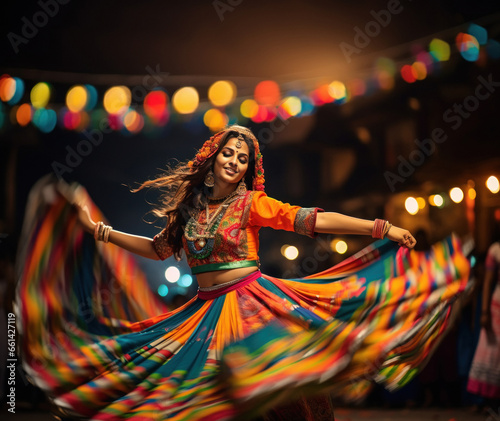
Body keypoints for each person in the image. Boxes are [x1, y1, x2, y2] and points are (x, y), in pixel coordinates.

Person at [16, 125, 470, 420]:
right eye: (229, 154)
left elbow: (313, 218)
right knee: (197, 398)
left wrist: (380, 227)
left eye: (243, 159)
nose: (235, 162)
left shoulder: (252, 204)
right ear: (212, 157)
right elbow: (159, 250)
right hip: (203, 315)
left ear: (249, 170)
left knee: (281, 397)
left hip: (253, 305)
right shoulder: (191, 211)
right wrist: (104, 233)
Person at [467, 234, 500, 411]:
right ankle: (489, 402)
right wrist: (485, 311)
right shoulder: (495, 249)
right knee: (492, 351)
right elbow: (487, 282)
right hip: (497, 306)